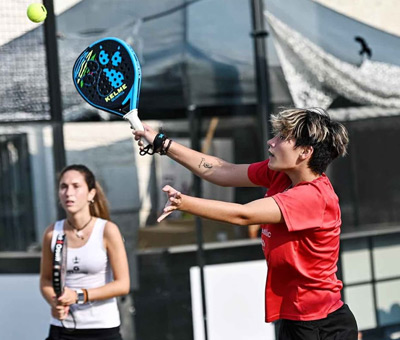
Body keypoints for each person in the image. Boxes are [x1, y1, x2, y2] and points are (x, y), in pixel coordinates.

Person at [134, 108, 358, 340]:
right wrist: (161, 142)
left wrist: (185, 203)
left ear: (305, 152)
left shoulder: (313, 197)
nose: (271, 142)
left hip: (322, 324)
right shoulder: (282, 176)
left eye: (282, 137)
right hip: (297, 318)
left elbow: (243, 215)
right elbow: (223, 170)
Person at [39, 164, 130, 340]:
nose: (68, 193)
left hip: (102, 329)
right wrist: (54, 301)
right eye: (63, 187)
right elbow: (45, 279)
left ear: (91, 194)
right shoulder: (52, 233)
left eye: (76, 186)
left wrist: (78, 296)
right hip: (62, 330)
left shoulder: (107, 230)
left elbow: (123, 284)